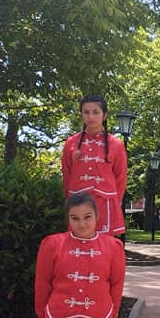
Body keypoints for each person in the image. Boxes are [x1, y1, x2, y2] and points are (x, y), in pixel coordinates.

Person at [61, 95, 128, 239]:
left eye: (96, 112)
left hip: (106, 204)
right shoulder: (71, 143)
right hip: (77, 203)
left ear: (104, 115)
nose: (91, 116)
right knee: (77, 246)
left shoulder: (116, 144)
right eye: (86, 112)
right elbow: (67, 175)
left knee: (104, 248)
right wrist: (70, 203)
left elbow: (121, 177)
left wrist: (115, 203)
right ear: (81, 114)